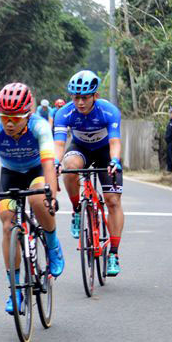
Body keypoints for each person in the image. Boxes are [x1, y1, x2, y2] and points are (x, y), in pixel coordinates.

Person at [0, 82, 65, 313]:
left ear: (28, 115)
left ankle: (53, 245)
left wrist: (51, 197)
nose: (10, 123)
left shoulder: (40, 127)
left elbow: (48, 164)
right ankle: (14, 289)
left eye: (16, 117)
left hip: (36, 172)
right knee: (7, 222)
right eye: (5, 117)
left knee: (37, 200)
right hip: (11, 174)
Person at [54, 70, 124, 276]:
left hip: (104, 151)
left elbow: (114, 141)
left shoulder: (109, 111)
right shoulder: (64, 113)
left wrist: (114, 161)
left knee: (112, 201)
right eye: (76, 98)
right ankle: (77, 210)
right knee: (69, 166)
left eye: (85, 97)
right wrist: (56, 162)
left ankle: (113, 253)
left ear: (95, 96)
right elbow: (59, 144)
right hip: (81, 148)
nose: (80, 102)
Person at [166, 105, 172, 172]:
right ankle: (169, 170)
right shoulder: (170, 122)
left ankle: (171, 170)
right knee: (169, 158)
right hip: (168, 143)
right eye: (170, 112)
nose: (170, 114)